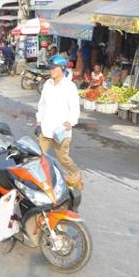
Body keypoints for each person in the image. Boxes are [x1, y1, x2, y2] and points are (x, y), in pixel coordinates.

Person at [35, 55, 83, 190]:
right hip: (46, 128)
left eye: (54, 68)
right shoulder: (47, 84)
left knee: (63, 158)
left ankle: (76, 175)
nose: (51, 71)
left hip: (62, 130)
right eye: (50, 68)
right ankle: (40, 181)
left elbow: (75, 109)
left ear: (62, 68)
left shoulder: (69, 86)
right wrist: (39, 122)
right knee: (38, 156)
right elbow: (42, 105)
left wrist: (70, 122)